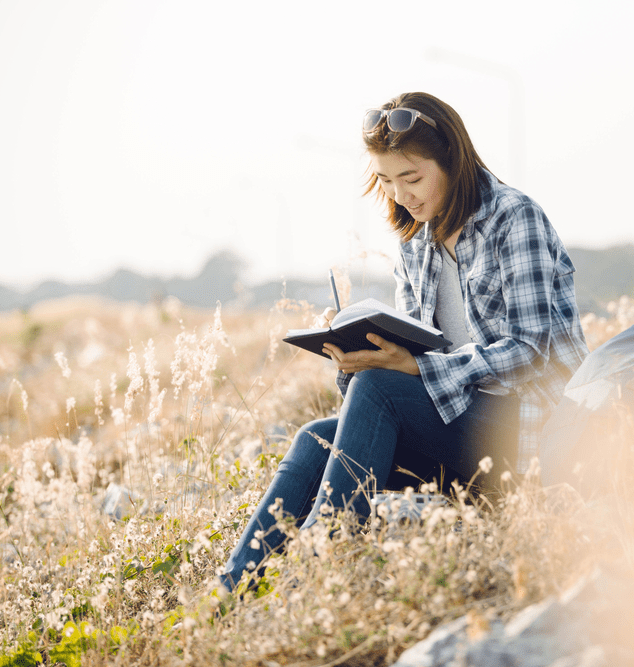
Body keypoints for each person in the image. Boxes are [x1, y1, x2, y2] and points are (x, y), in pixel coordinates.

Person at [218, 92, 588, 592]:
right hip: (459, 430)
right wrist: (354, 354)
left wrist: (411, 370)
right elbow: (402, 375)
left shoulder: (513, 217)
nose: (401, 195)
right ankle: (228, 592)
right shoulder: (417, 241)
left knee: (381, 389)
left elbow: (530, 351)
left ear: (452, 161)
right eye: (387, 182)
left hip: (529, 433)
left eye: (411, 178)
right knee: (314, 439)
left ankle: (318, 568)